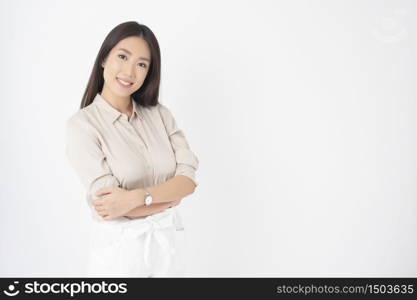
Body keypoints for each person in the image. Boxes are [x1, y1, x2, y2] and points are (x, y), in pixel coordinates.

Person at [65, 21, 199, 277]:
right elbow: (109, 206)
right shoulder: (82, 126)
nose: (129, 71)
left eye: (141, 64)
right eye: (122, 57)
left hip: (168, 251)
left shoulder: (160, 115)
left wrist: (136, 198)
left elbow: (188, 182)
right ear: (104, 58)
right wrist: (169, 197)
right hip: (120, 258)